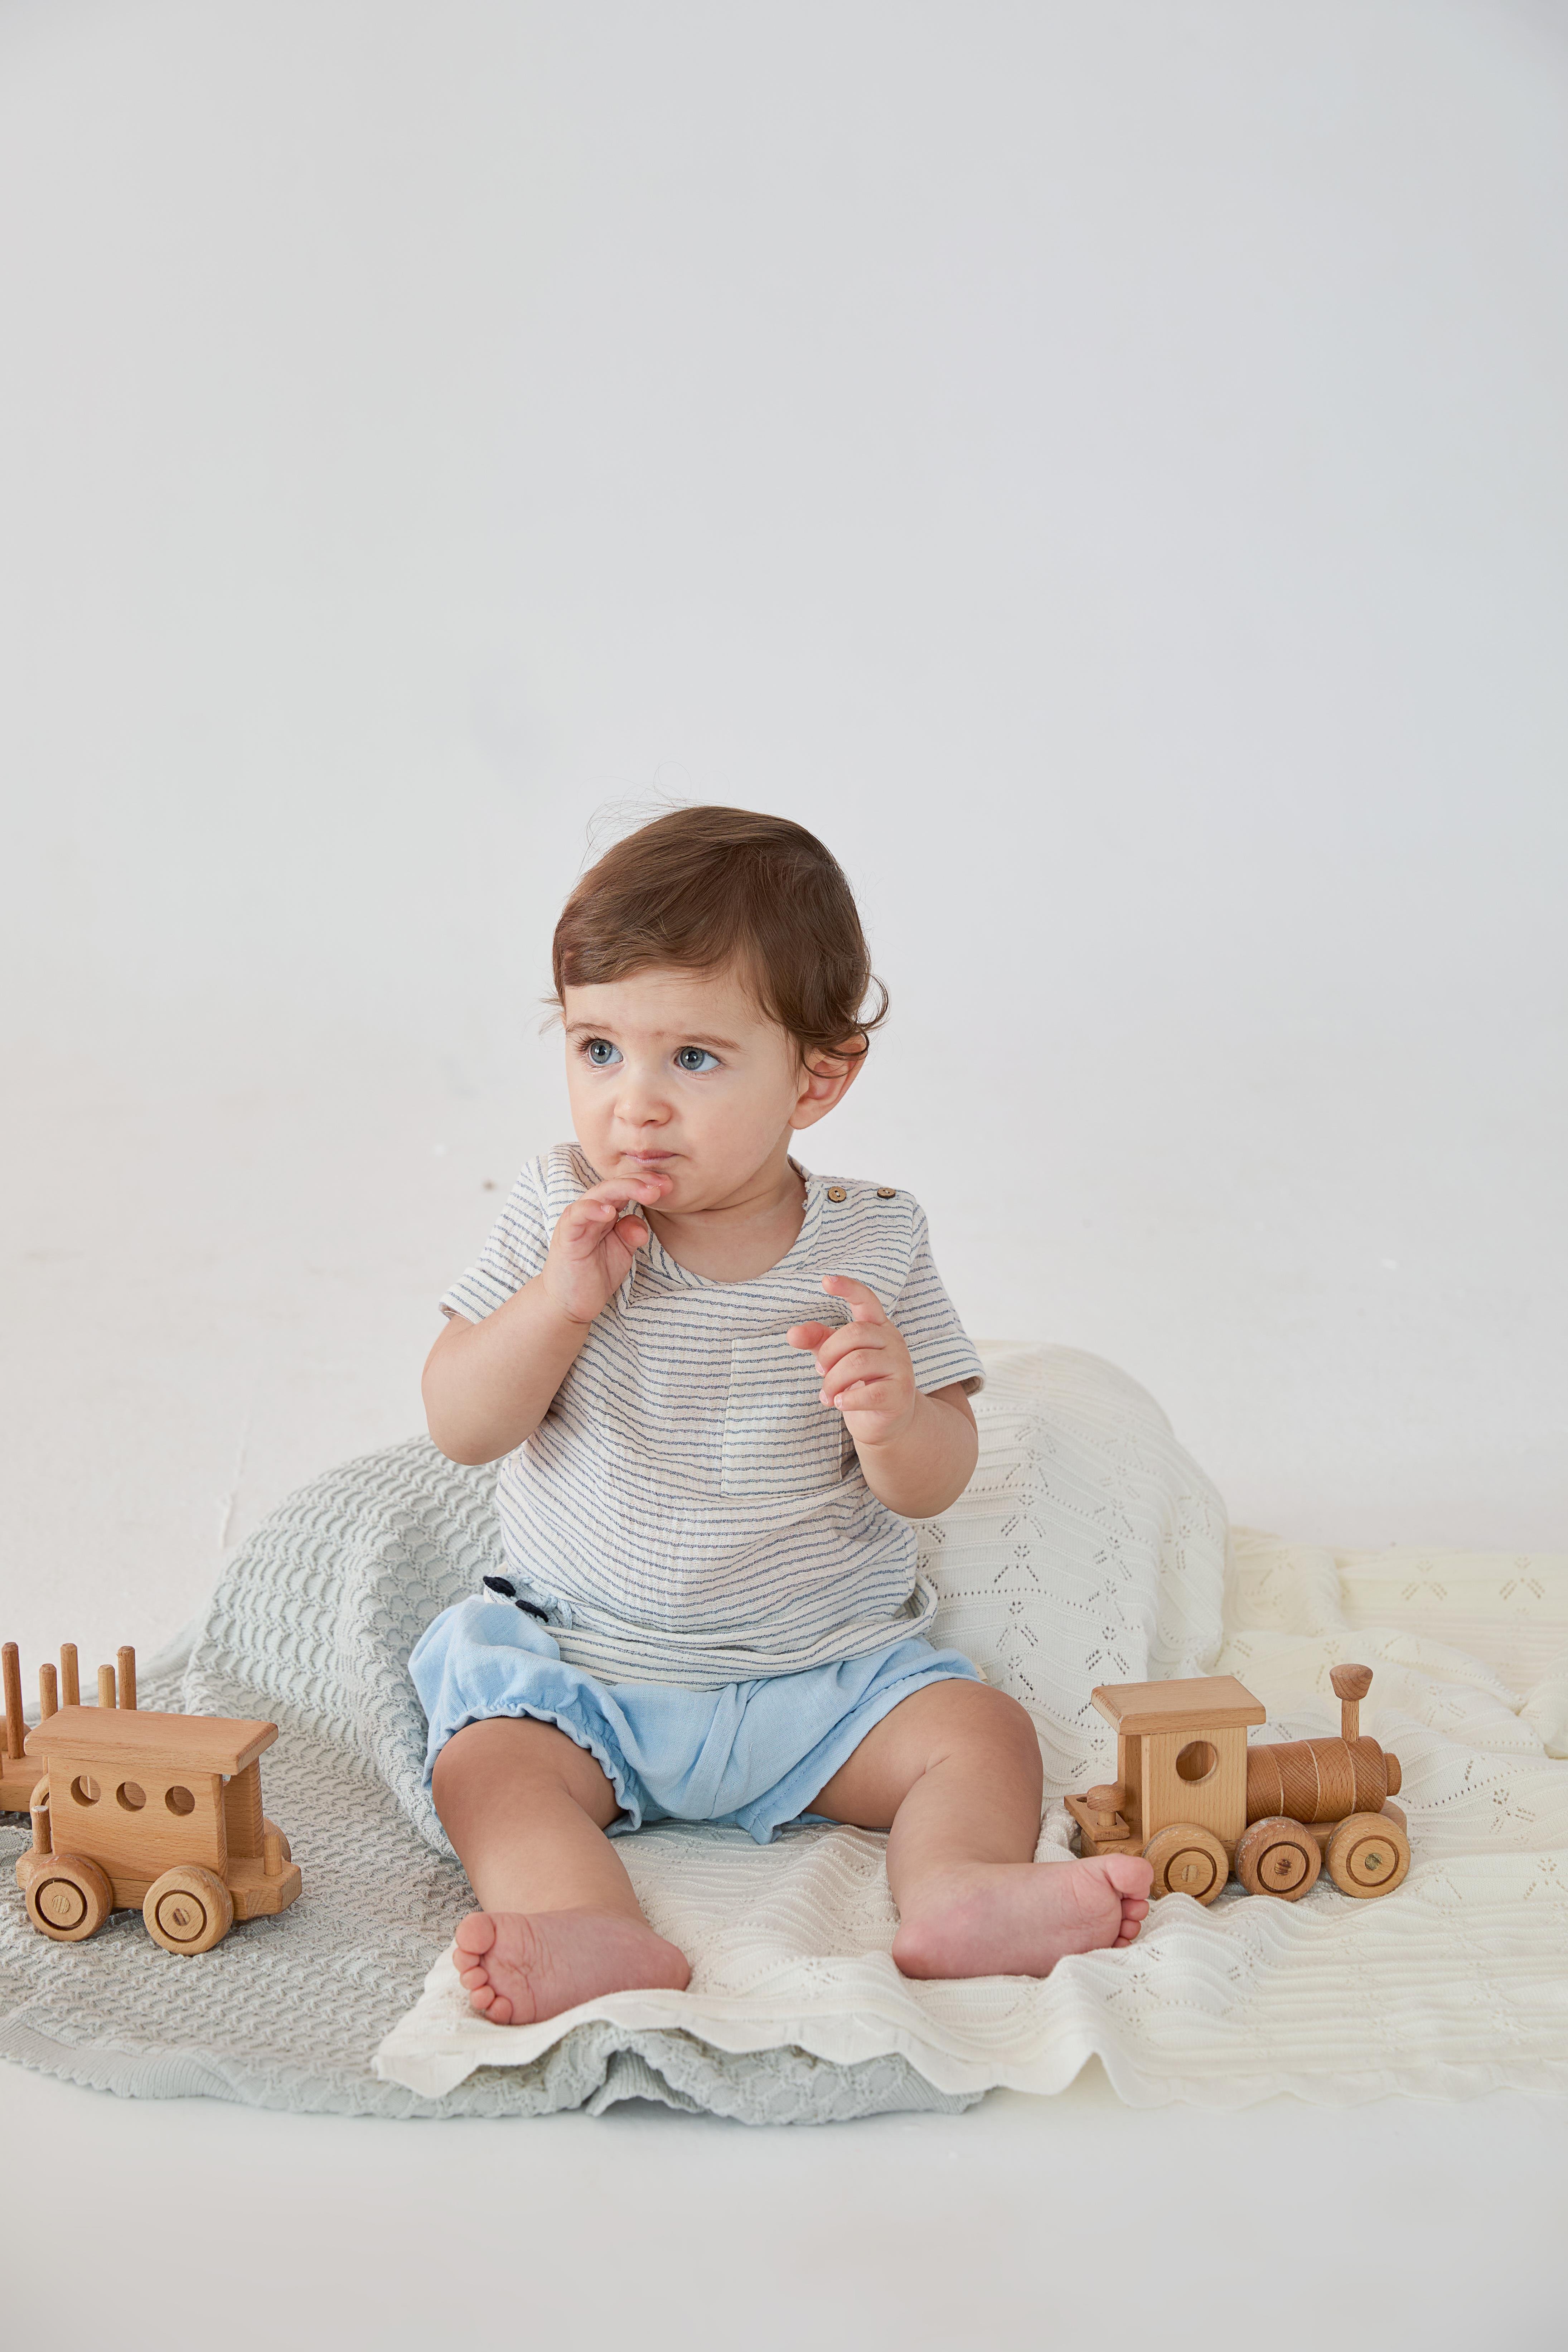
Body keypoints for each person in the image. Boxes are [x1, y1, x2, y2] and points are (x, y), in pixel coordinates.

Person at [413, 806, 1152, 2024]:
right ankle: (587, 1921)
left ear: (816, 1076)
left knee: (979, 1729)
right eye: (598, 1048)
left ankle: (958, 1889)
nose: (633, 1107)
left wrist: (894, 1414)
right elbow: (460, 1422)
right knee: (485, 1765)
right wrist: (555, 1308)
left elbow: (930, 1481)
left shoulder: (873, 1237)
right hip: (588, 1671)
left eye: (691, 1060)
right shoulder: (559, 1212)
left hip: (823, 1679)